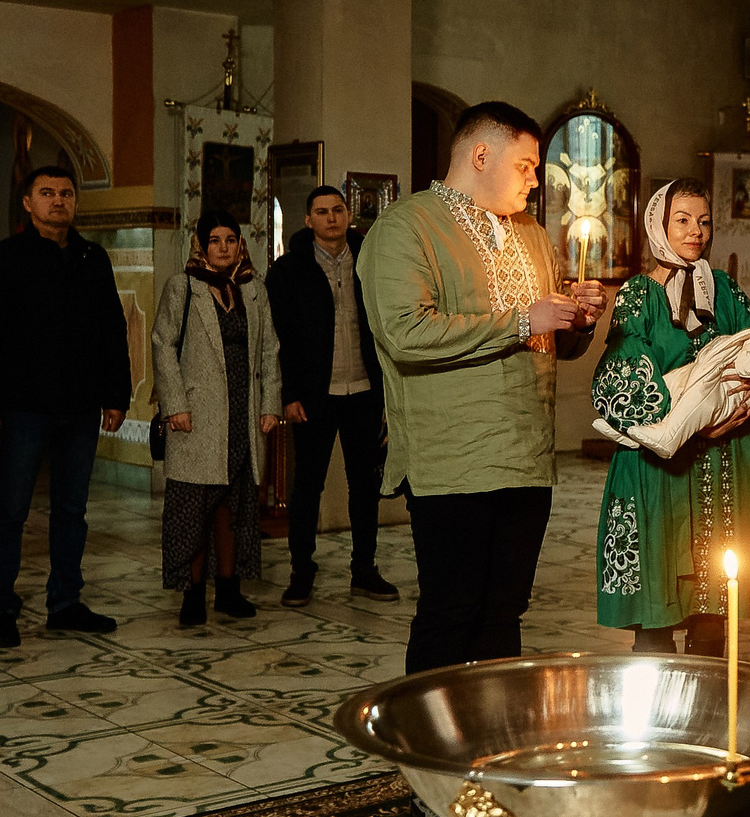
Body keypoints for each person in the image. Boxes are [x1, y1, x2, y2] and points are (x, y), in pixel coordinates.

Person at [359, 101, 605, 679]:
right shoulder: (406, 227)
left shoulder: (533, 235)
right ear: (479, 155)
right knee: (451, 610)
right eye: (525, 165)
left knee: (504, 614)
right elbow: (404, 332)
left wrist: (576, 323)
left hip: (525, 457)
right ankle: (433, 751)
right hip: (453, 460)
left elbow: (550, 345)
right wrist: (525, 320)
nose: (535, 179)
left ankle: (494, 742)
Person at [593, 181, 750, 655]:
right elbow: (623, 380)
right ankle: (658, 719)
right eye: (683, 220)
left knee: (716, 611)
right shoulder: (638, 296)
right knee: (657, 612)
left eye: (704, 221)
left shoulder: (725, 289)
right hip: (661, 470)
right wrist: (691, 420)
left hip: (729, 460)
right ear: (659, 224)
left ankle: (710, 716)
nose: (696, 232)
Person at [0, 162, 133, 649]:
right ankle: (1, 608)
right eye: (47, 193)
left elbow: (111, 330)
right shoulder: (4, 258)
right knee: (11, 510)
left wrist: (115, 395)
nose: (58, 200)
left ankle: (64, 602)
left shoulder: (91, 258)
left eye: (66, 193)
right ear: (27, 202)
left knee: (72, 510)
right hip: (21, 407)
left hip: (79, 406)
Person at [265, 184, 396, 607]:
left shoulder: (371, 262)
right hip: (312, 396)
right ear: (309, 220)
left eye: (337, 210)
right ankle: (301, 571)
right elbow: (277, 339)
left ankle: (365, 570)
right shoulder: (288, 270)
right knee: (307, 487)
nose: (331, 218)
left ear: (348, 214)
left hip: (363, 390)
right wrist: (288, 394)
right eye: (322, 212)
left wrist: (388, 394)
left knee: (365, 486)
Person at [152, 210, 282, 628]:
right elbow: (162, 345)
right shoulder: (183, 288)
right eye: (215, 240)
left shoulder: (254, 289)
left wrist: (269, 405)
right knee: (196, 509)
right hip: (196, 416)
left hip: (242, 415)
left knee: (234, 505)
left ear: (240, 245)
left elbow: (269, 351)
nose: (223, 247)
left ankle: (228, 590)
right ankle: (192, 596)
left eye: (230, 240)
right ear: (201, 245)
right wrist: (175, 404)